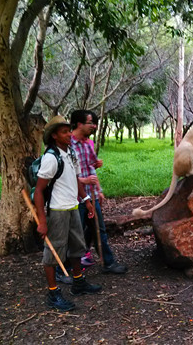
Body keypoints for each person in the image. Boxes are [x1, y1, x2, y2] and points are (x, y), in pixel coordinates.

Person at [35, 115, 103, 311]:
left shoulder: (71, 153)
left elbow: (75, 178)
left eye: (68, 131)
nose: (68, 135)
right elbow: (39, 191)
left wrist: (86, 200)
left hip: (73, 207)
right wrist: (42, 220)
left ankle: (78, 282)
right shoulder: (50, 158)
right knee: (53, 252)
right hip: (58, 210)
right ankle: (53, 293)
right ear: (55, 136)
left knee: (77, 248)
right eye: (64, 132)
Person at [70, 109, 128, 274]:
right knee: (76, 232)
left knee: (99, 229)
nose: (94, 126)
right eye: (90, 123)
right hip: (74, 198)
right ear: (79, 124)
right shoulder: (68, 145)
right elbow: (64, 174)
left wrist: (98, 190)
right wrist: (82, 181)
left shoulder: (87, 144)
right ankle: (69, 268)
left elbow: (91, 168)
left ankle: (108, 263)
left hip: (91, 195)